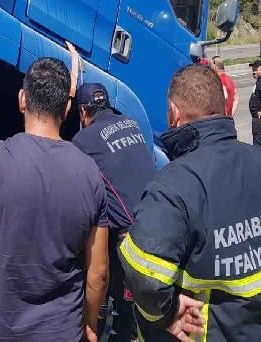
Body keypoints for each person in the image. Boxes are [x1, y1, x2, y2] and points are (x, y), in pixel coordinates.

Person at [120, 64, 261, 342]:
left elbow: (144, 275)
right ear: (223, 107)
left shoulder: (172, 185)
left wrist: (168, 312)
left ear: (173, 113)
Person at [0, 58, 109, 342]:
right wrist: (90, 322)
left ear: (21, 99)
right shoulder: (90, 173)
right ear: (67, 109)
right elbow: (98, 273)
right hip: (62, 333)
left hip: (2, 332)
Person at [71, 82, 156, 342]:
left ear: (83, 112)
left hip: (128, 235)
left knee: (122, 300)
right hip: (156, 215)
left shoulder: (82, 140)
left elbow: (76, 189)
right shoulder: (130, 122)